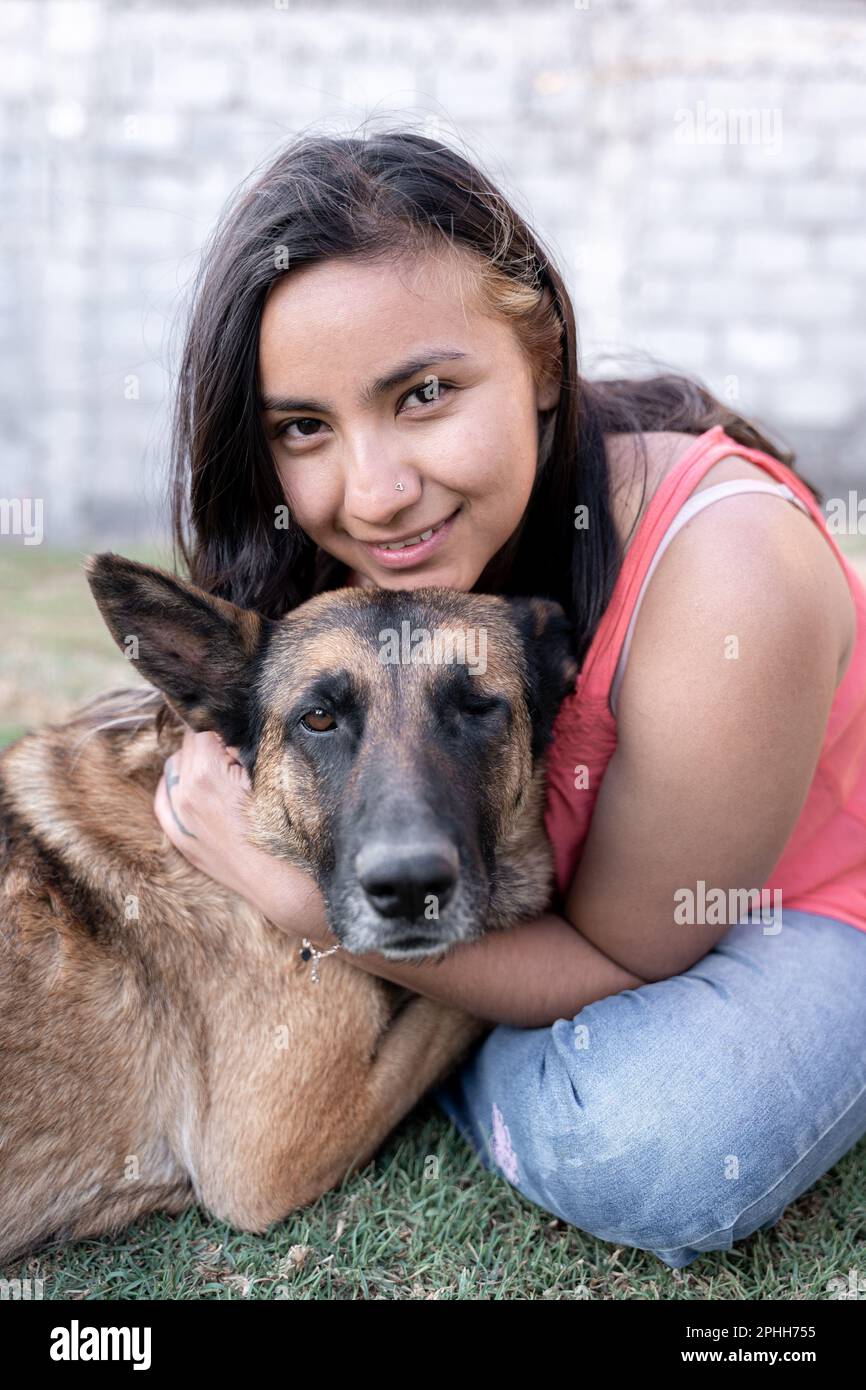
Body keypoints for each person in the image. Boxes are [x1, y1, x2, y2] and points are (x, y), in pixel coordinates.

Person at [152, 129, 866, 1269]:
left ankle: (426, 1054)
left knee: (659, 1138)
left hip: (787, 905)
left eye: (423, 393)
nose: (375, 493)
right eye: (304, 427)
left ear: (539, 357)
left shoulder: (728, 571)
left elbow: (625, 956)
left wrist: (300, 902)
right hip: (536, 909)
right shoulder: (370, 564)